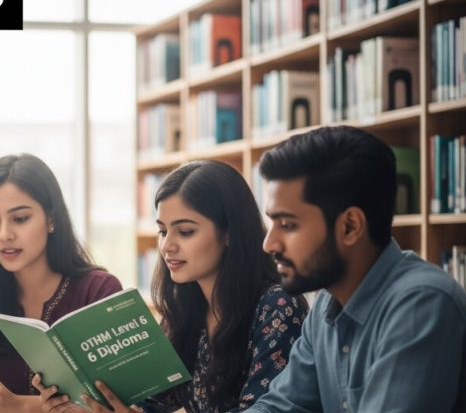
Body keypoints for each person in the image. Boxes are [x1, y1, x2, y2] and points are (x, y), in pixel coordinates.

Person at [242, 126, 466, 412]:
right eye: (272, 223)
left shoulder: (421, 306)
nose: (269, 244)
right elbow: (280, 406)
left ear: (350, 226)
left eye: (288, 225)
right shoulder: (326, 306)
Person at [34, 160, 308, 413]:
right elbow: (152, 402)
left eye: (185, 231)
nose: (167, 246)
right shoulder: (187, 309)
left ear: (229, 233)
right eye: (163, 231)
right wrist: (79, 398)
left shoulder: (277, 306)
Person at [0, 154, 122, 413]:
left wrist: (20, 405)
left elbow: (118, 401)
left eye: (20, 219)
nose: (5, 234)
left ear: (51, 219)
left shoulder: (98, 291)